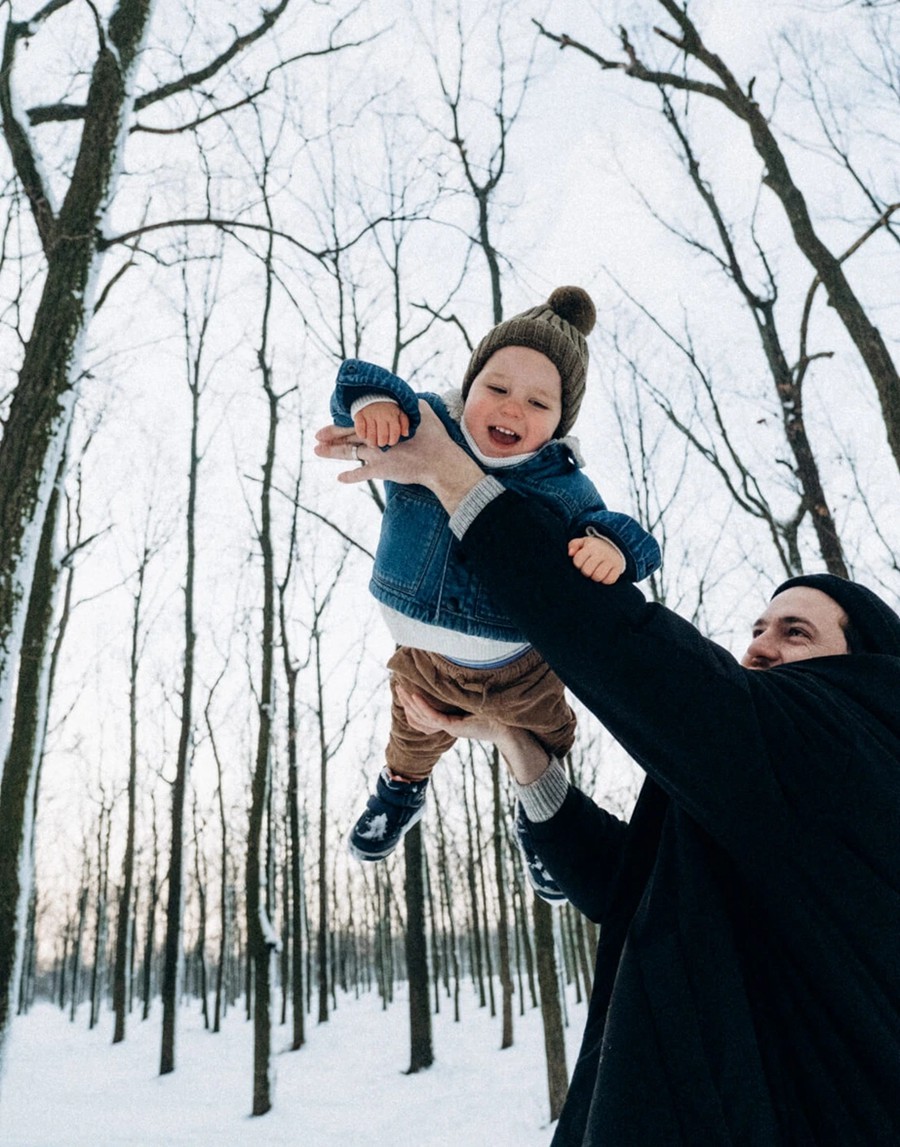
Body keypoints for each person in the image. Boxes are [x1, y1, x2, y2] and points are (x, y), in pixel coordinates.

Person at [315, 402, 900, 1145]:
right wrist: (512, 739)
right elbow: (628, 885)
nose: (758, 645)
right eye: (756, 628)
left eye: (795, 631)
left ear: (865, 660)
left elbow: (628, 649)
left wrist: (455, 477)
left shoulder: (847, 747)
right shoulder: (769, 802)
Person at [326, 287, 660, 874]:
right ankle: (401, 791)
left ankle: (545, 824)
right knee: (412, 733)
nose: (511, 408)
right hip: (424, 658)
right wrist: (372, 401)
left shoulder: (565, 486)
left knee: (549, 740)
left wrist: (613, 549)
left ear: (560, 422)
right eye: (497, 388)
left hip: (522, 670)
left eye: (538, 402)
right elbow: (359, 378)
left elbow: (627, 535)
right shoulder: (426, 426)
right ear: (470, 387)